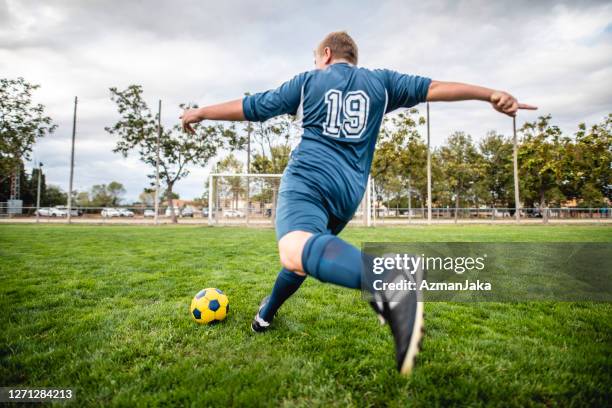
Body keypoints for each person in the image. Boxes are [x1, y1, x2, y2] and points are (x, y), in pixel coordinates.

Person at [181, 31, 536, 374]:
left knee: (294, 249)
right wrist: (491, 94)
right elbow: (436, 88)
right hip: (348, 193)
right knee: (303, 256)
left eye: (317, 58)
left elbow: (253, 106)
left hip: (309, 180)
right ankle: (265, 315)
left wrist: (200, 112)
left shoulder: (308, 81)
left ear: (326, 55)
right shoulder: (382, 82)